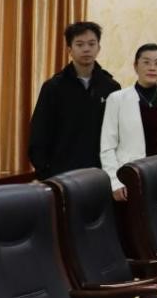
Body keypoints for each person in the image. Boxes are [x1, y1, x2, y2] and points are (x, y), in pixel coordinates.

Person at [28, 21, 120, 180]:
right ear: (69, 50)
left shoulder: (111, 87)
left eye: (91, 44)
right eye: (80, 44)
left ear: (98, 48)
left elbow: (117, 135)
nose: (86, 49)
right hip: (62, 175)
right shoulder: (53, 87)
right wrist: (46, 174)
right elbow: (38, 134)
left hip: (101, 174)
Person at [100, 43, 157, 200]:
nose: (152, 68)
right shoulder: (117, 99)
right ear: (135, 66)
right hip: (128, 177)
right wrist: (114, 182)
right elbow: (107, 146)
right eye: (146, 62)